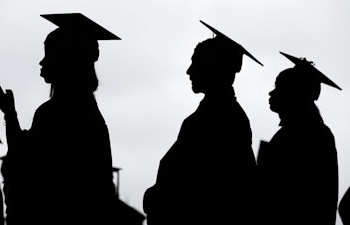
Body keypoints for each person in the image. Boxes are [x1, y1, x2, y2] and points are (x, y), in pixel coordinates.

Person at [0, 13, 120, 225]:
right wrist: (9, 112)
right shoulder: (85, 113)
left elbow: (26, 169)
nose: (42, 62)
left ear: (67, 60)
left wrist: (10, 115)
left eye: (49, 54)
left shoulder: (58, 114)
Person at [143, 20, 263, 225]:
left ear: (216, 68)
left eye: (197, 62)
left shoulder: (224, 118)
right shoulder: (215, 115)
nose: (189, 71)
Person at [257, 52, 340, 225]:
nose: (272, 92)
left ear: (295, 93)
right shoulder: (307, 132)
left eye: (279, 87)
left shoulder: (308, 136)